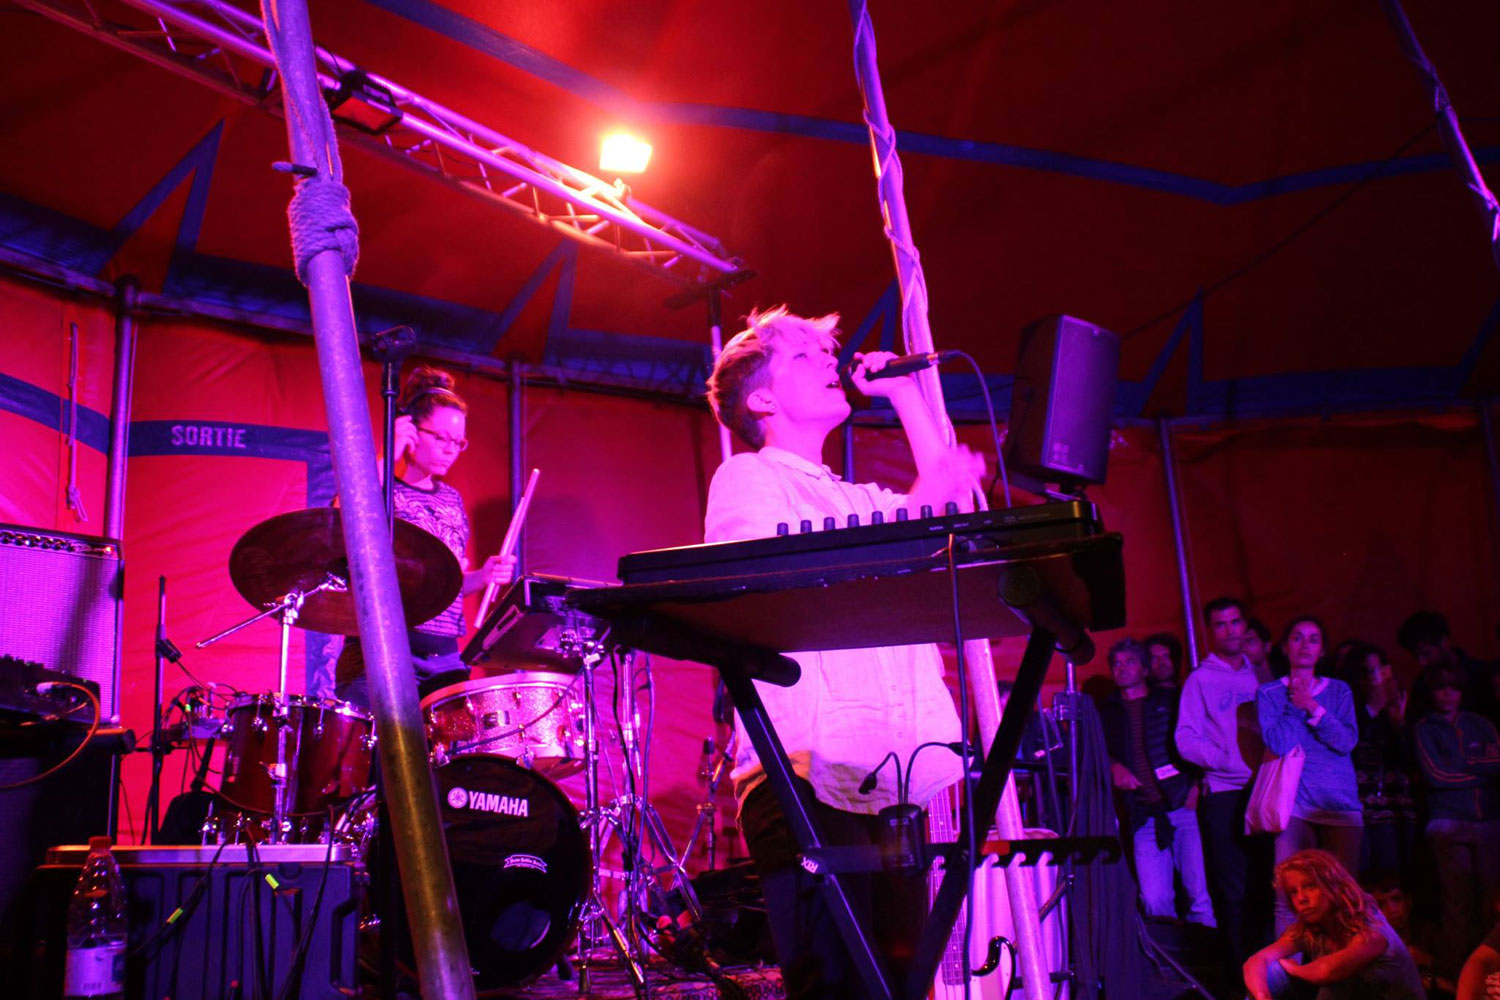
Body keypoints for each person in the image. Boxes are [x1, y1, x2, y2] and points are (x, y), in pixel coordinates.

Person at [703, 305, 984, 998]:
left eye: (827, 352)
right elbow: (773, 591)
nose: (830, 361)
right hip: (802, 774)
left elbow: (948, 508)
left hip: (888, 777)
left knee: (902, 982)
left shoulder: (858, 496)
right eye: (804, 355)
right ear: (762, 400)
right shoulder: (748, 478)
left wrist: (906, 395)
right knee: (835, 985)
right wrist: (924, 502)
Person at [334, 365, 514, 708]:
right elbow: (339, 517)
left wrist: (481, 577)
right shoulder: (384, 488)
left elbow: (442, 586)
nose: (450, 450)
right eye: (441, 438)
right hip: (384, 649)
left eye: (458, 442)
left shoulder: (451, 500)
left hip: (444, 657)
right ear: (410, 431)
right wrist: (387, 456)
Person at [1175, 596, 1267, 974]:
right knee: (1233, 888)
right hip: (1226, 794)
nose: (1230, 630)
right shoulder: (1201, 679)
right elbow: (1185, 738)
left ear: (1245, 625)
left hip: (1266, 791)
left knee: (1268, 883)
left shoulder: (1260, 675)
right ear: (1210, 631)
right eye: (1221, 624)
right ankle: (1240, 973)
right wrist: (1226, 760)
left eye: (1235, 622)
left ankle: (1270, 970)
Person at [1257, 616, 1362, 933]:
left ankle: (1343, 961)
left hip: (1339, 802)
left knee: (1344, 896)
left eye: (1313, 639)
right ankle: (1290, 965)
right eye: (1297, 637)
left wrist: (1313, 707)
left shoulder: (1339, 691)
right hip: (1294, 805)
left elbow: (1346, 741)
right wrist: (1295, 705)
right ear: (1285, 647)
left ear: (1322, 650)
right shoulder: (1269, 693)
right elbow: (1278, 742)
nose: (1305, 645)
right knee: (1288, 896)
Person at [1099, 638, 1214, 927]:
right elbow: (1097, 751)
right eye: (1116, 663)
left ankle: (1207, 953)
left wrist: (1196, 784)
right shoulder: (1108, 712)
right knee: (1154, 899)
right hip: (1143, 815)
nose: (1122, 668)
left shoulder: (1169, 701)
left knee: (1198, 894)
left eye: (1130, 661)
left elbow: (1194, 741)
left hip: (1182, 806)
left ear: (1145, 668)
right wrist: (1113, 766)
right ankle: (1169, 953)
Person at [1413, 661, 1500, 980]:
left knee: (1492, 899)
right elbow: (1437, 775)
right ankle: (1457, 974)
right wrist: (1479, 769)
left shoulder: (1481, 724)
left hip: (1488, 821)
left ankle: (1491, 971)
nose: (1448, 694)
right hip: (1448, 822)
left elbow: (1497, 762)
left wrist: (1462, 763)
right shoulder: (1425, 728)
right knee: (1457, 901)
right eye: (1441, 688)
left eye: (1453, 688)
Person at [1243, 849, 1425, 1000]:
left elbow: (1327, 971)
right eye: (1293, 892)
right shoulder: (1311, 929)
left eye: (1310, 886)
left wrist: (1295, 970)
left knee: (1336, 979)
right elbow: (1256, 961)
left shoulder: (1372, 929)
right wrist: (1262, 996)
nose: (1301, 898)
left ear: (1332, 885)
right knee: (1273, 972)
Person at [1340, 641, 1417, 878]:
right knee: (1361, 877)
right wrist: (1372, 708)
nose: (1375, 678)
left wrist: (1399, 725)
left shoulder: (1398, 704)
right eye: (1367, 671)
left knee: (1394, 877)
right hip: (1358, 806)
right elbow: (1346, 745)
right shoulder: (1345, 704)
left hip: (1394, 806)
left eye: (1379, 670)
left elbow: (1409, 759)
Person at [1400, 611, 1499, 729]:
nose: (1422, 662)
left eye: (1425, 653)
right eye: (1417, 656)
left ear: (1444, 643)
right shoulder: (1421, 686)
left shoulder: (1482, 673)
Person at [1245, 617, 1276, 684]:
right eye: (1241, 643)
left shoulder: (1285, 677)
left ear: (1267, 646)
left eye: (1250, 641)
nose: (1244, 648)